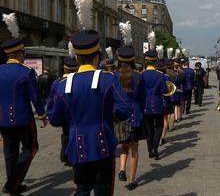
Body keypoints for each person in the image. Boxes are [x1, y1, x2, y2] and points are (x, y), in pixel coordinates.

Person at [48, 29, 133, 195]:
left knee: (81, 190)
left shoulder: (62, 85)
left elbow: (55, 119)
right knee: (104, 191)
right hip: (104, 146)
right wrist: (111, 113)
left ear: (77, 57)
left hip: (77, 147)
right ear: (97, 56)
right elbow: (125, 108)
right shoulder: (108, 79)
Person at [0, 26, 48, 195]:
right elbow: (35, 97)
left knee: (10, 152)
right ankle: (13, 183)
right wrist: (42, 115)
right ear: (18, 54)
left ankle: (14, 182)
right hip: (23, 118)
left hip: (3, 119)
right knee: (30, 148)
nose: (24, 56)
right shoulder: (26, 72)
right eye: (23, 53)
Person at [115, 46, 146, 191]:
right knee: (134, 148)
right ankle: (132, 180)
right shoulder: (139, 77)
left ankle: (121, 169)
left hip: (120, 116)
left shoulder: (114, 76)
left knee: (124, 144)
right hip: (135, 115)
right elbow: (142, 98)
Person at [46, 57, 79, 166]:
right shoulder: (78, 81)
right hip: (75, 112)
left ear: (64, 69)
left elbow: (50, 100)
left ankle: (65, 154)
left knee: (65, 132)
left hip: (62, 112)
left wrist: (51, 113)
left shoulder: (57, 82)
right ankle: (70, 155)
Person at [141, 50, 168, 159]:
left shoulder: (141, 75)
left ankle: (150, 149)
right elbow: (164, 90)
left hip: (145, 105)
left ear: (146, 61)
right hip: (157, 104)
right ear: (155, 61)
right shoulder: (160, 75)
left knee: (149, 128)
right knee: (159, 126)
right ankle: (155, 148)